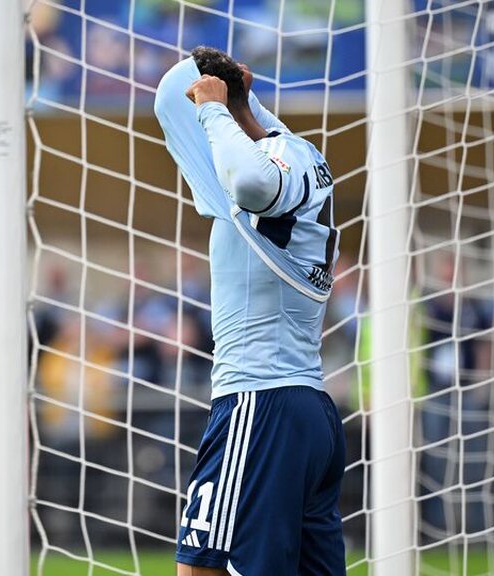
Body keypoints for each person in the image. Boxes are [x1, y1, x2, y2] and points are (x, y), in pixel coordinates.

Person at [155, 47, 344, 575]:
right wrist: (235, 98)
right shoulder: (302, 158)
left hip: (260, 404)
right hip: (304, 407)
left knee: (202, 568)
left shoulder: (281, 161)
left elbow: (254, 183)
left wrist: (214, 108)